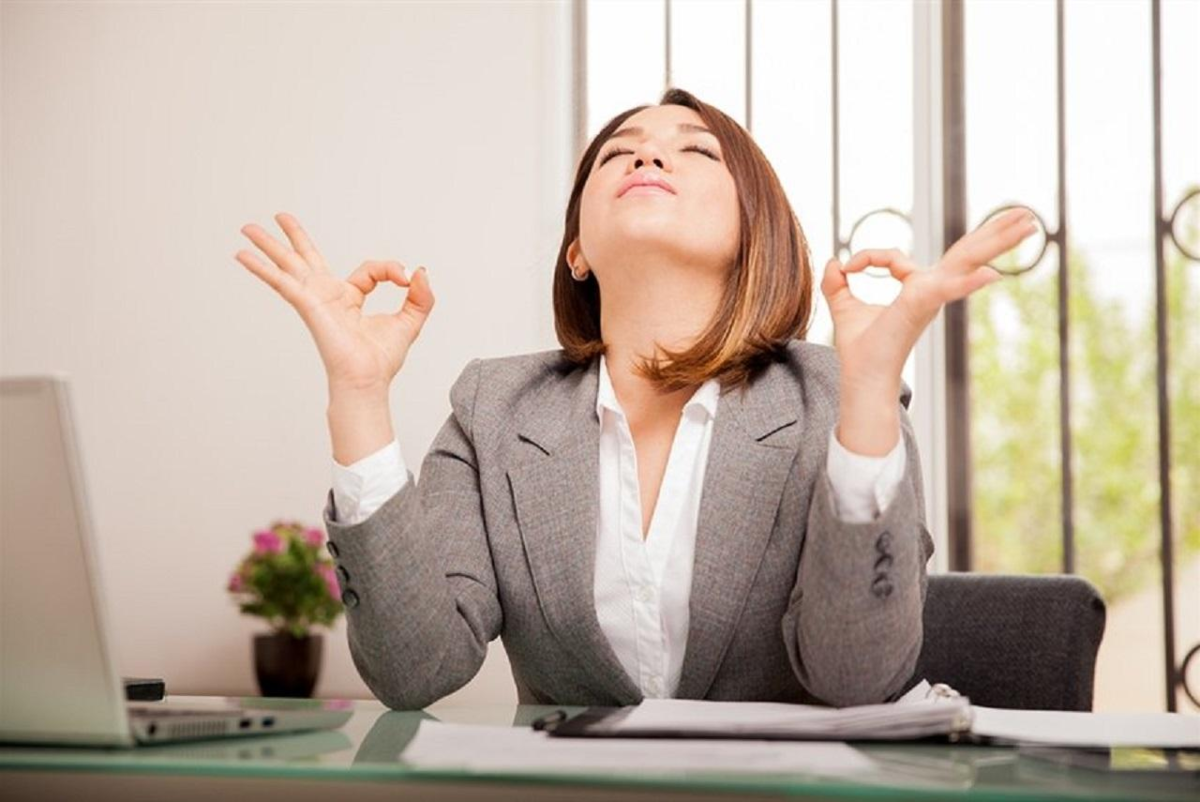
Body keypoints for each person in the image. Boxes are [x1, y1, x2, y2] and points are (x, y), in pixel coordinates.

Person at [235, 87, 1035, 710]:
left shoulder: (837, 396)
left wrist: (867, 395)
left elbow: (857, 678)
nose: (647, 156)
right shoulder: (493, 407)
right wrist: (359, 395)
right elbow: (414, 670)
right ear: (577, 251)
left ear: (754, 230)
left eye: (696, 150)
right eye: (618, 153)